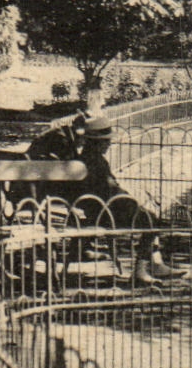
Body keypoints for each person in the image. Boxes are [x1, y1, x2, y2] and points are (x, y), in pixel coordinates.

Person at [74, 115, 183, 284]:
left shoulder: (84, 159)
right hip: (105, 212)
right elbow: (109, 190)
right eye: (106, 141)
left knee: (147, 216)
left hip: (95, 210)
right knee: (151, 221)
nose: (108, 144)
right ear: (96, 142)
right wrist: (131, 202)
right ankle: (141, 270)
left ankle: (156, 264)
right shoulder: (96, 162)